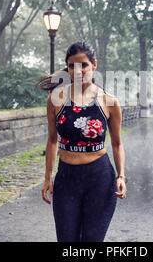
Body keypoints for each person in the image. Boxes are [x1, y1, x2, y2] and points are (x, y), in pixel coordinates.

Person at [36, 41, 127, 242]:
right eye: (72, 66)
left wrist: (121, 176)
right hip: (67, 179)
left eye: (83, 65)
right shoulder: (55, 99)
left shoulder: (109, 101)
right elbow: (52, 141)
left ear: (94, 65)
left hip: (100, 179)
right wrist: (47, 177)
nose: (78, 71)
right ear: (67, 68)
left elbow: (117, 144)